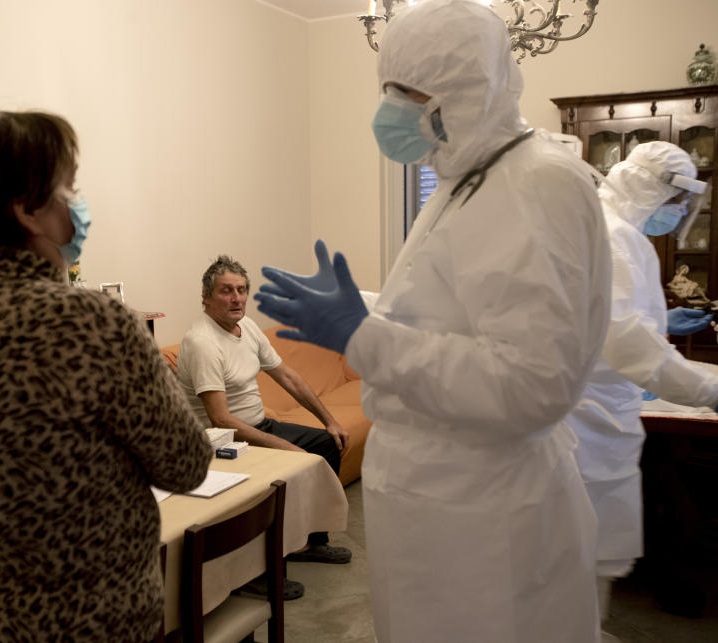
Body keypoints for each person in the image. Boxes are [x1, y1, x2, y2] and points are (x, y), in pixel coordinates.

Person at [254, 1, 612, 641]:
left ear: (465, 89)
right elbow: (447, 317)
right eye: (385, 89)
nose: (388, 110)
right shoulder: (461, 182)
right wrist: (358, 314)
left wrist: (361, 334)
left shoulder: (539, 184)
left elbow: (532, 383)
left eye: (404, 91)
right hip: (434, 508)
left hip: (485, 520)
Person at [0, 108, 211, 642]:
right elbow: (188, 463)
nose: (76, 205)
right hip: (79, 625)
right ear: (27, 211)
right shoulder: (88, 323)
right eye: (69, 188)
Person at [563, 141, 716, 629]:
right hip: (590, 424)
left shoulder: (614, 230)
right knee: (579, 564)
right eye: (677, 202)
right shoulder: (614, 236)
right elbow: (630, 347)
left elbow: (611, 321)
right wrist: (710, 392)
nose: (680, 213)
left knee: (585, 562)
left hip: (597, 416)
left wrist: (659, 318)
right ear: (649, 189)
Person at [176, 255, 353, 581]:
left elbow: (288, 377)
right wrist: (283, 447)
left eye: (241, 290)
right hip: (220, 443)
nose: (236, 298)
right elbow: (220, 420)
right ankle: (265, 576)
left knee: (326, 443)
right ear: (206, 297)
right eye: (226, 291)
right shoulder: (202, 342)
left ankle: (312, 542)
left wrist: (329, 420)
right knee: (287, 470)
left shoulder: (249, 327)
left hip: (257, 426)